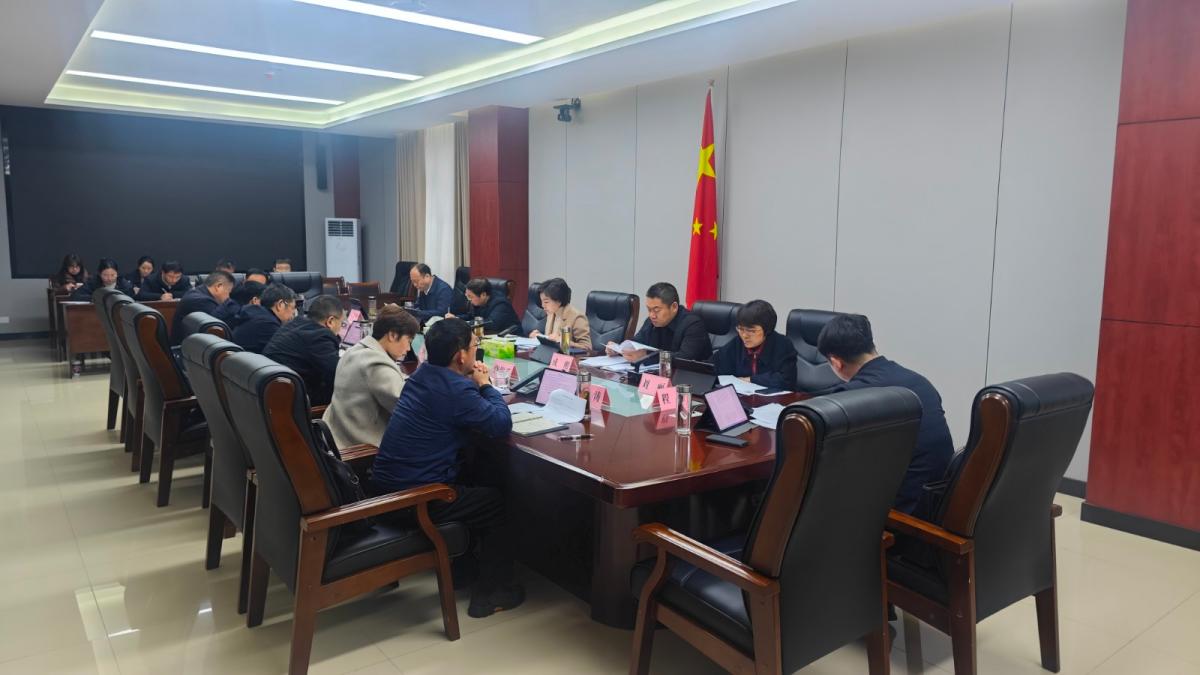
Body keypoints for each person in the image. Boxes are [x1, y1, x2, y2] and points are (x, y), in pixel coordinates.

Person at [371, 318, 522, 618]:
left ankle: (462, 570)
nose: (477, 352)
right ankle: (492, 593)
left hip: (386, 487)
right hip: (415, 499)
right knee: (494, 502)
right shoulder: (457, 390)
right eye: (475, 346)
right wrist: (486, 385)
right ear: (461, 356)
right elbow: (500, 423)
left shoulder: (422, 374)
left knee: (474, 475)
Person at [817, 314, 954, 514]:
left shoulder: (850, 400)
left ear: (836, 362)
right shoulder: (919, 381)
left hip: (901, 514)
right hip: (941, 501)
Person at [322, 306, 418, 448]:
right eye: (408, 340)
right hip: (358, 448)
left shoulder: (355, 350)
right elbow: (408, 407)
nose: (409, 348)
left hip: (336, 434)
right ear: (392, 335)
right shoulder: (376, 364)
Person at [262, 295, 343, 406]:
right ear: (330, 321)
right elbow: (338, 373)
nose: (341, 328)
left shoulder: (294, 323)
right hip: (293, 400)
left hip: (271, 391)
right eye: (341, 323)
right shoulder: (320, 336)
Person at [712, 300, 798, 390]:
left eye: (751, 331)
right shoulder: (738, 342)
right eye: (740, 329)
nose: (744, 335)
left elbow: (786, 380)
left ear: (767, 329)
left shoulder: (783, 345)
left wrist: (751, 379)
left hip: (775, 396)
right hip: (743, 395)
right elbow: (713, 366)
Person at [616, 282, 710, 361]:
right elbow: (637, 342)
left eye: (656, 310)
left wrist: (647, 355)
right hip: (657, 373)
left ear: (674, 307)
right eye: (649, 309)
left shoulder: (693, 325)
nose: (652, 315)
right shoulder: (651, 321)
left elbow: (684, 359)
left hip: (692, 376)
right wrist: (619, 349)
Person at [171, 270, 237, 345]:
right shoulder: (200, 300)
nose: (228, 296)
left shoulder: (197, 292)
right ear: (218, 286)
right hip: (186, 348)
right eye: (228, 292)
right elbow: (220, 325)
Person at [527, 277, 590, 350]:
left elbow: (587, 348)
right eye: (542, 301)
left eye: (546, 302)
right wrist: (539, 337)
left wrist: (563, 341)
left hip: (567, 356)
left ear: (559, 301)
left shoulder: (577, 317)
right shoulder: (551, 314)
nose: (542, 305)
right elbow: (551, 340)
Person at [232, 283, 296, 353]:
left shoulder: (256, 316)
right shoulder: (268, 325)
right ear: (280, 304)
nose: (294, 313)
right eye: (293, 308)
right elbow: (290, 350)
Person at [449, 278, 521, 335]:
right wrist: (456, 319)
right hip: (490, 336)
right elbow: (471, 316)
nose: (469, 300)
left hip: (511, 339)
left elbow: (492, 323)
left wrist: (464, 323)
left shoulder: (501, 303)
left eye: (470, 296)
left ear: (483, 295)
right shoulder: (478, 302)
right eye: (467, 296)